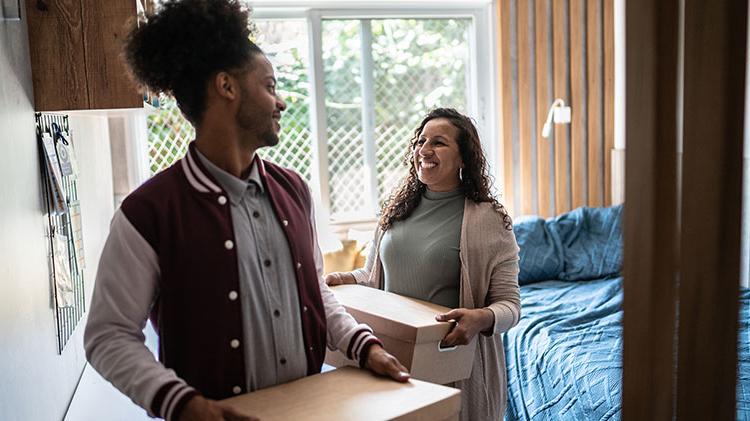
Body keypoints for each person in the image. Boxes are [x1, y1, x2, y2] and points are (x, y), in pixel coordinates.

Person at [84, 1, 409, 421]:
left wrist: (363, 346)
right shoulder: (148, 213)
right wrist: (183, 404)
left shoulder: (295, 190)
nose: (281, 103)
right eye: (270, 86)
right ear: (227, 87)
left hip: (309, 410)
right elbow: (108, 336)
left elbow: (316, 291)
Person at [326, 108, 521, 420]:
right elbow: (372, 276)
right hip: (387, 353)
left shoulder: (489, 220)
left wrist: (480, 318)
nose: (424, 150)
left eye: (439, 143)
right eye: (420, 141)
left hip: (448, 365)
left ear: (463, 158)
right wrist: (344, 278)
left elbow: (510, 306)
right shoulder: (396, 210)